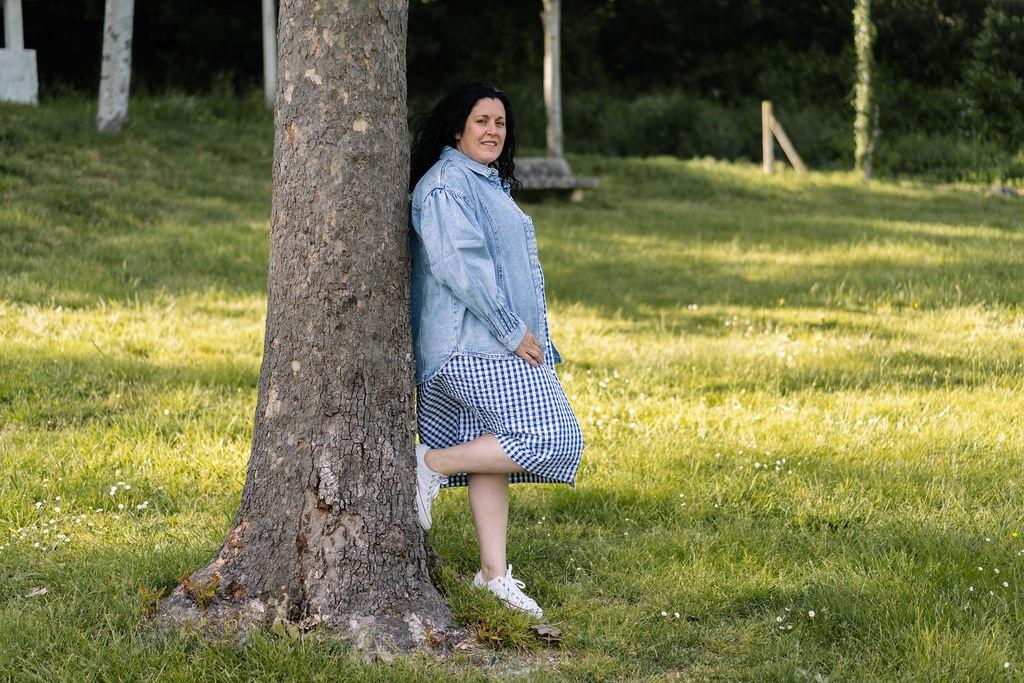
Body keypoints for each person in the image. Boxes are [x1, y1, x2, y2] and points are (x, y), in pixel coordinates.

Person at [408, 82, 584, 620]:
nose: (492, 131)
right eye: (482, 121)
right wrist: (513, 331)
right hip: (472, 345)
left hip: (490, 342)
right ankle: (427, 463)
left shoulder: (483, 183)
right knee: (555, 440)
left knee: (495, 452)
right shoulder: (445, 187)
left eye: (500, 123)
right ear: (457, 127)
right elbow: (463, 268)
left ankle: (493, 575)